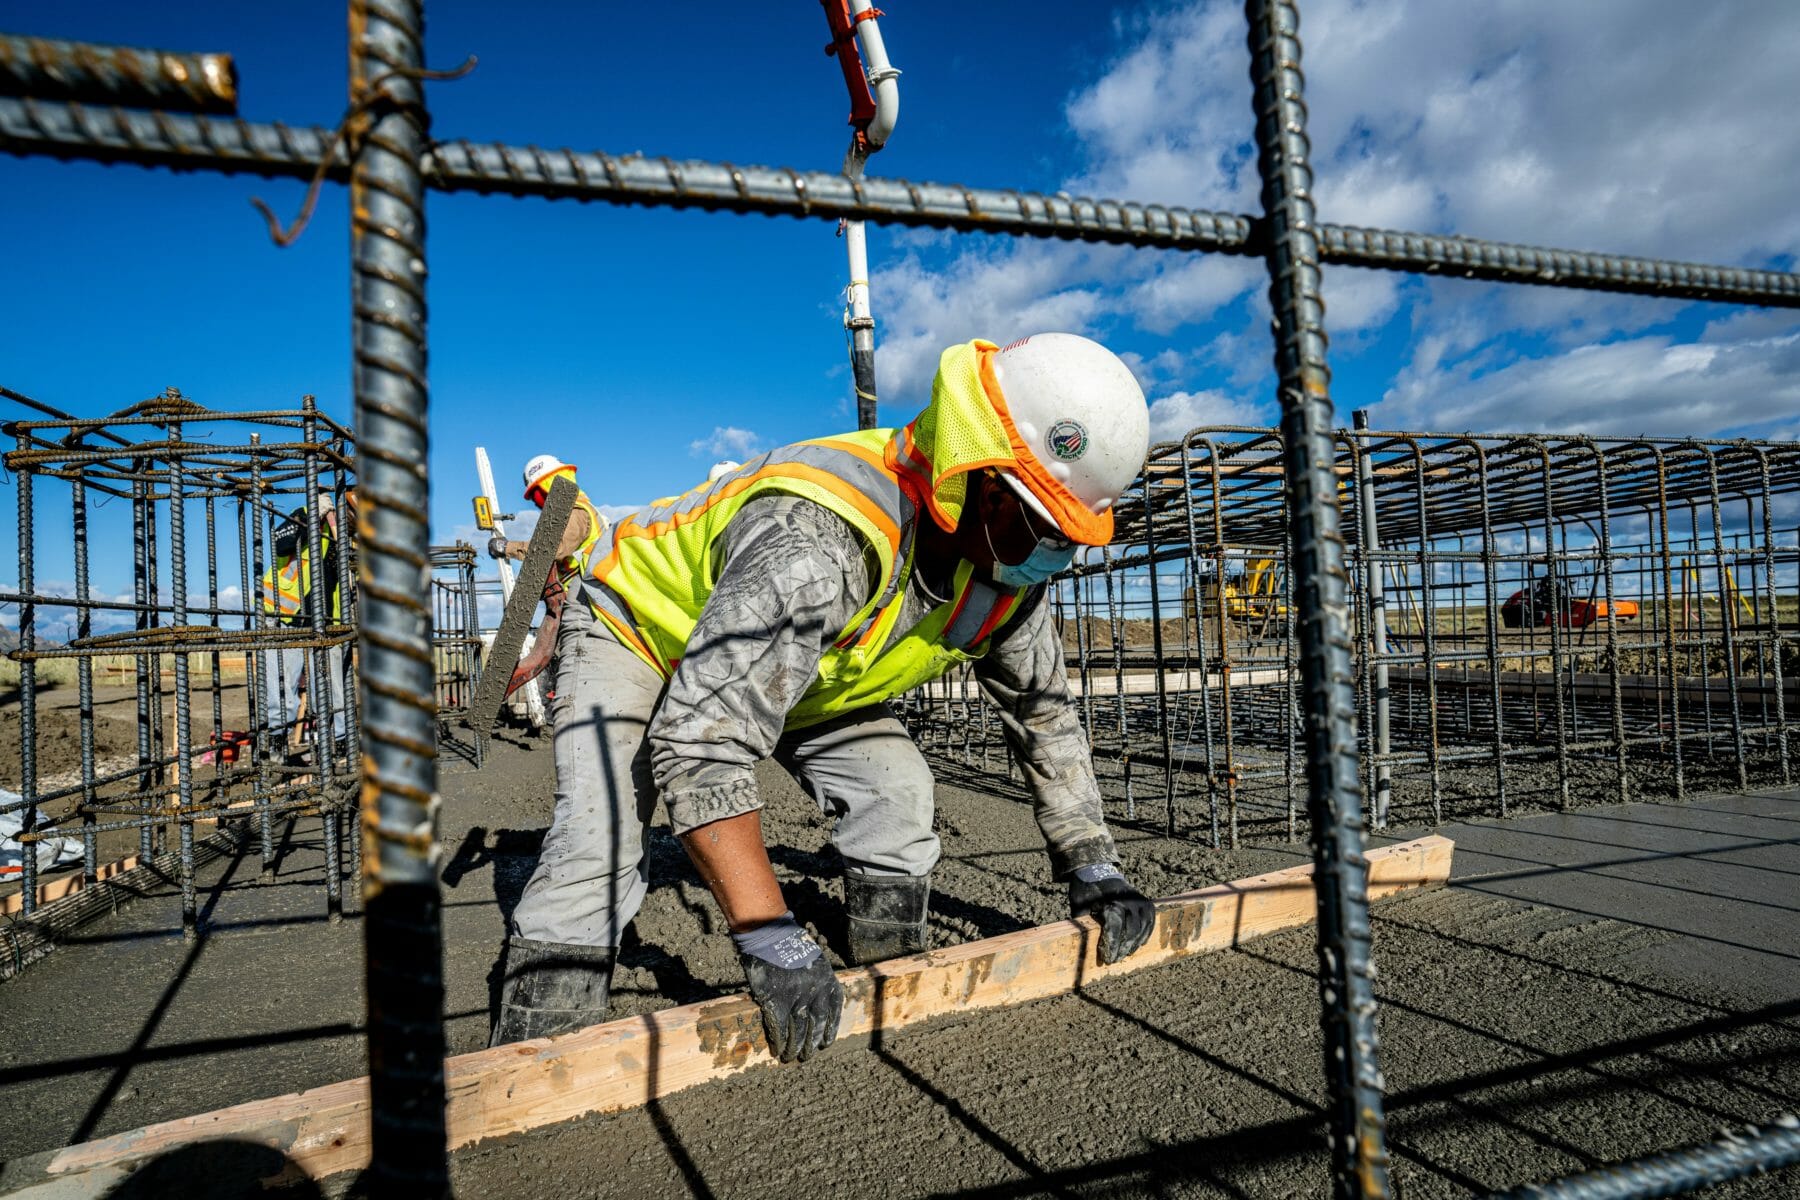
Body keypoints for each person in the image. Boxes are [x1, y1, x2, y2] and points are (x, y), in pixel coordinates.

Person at [491, 334, 1158, 1063]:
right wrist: (766, 931)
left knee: (896, 792)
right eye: (1042, 530)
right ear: (981, 479)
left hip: (789, 664)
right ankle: (532, 1065)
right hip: (642, 631)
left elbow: (1044, 713)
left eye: (1068, 540)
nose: (1051, 557)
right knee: (600, 837)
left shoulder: (1003, 576)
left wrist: (1092, 863)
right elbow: (700, 741)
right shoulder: (815, 536)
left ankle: (888, 982)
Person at [258, 490, 355, 746]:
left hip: (325, 621)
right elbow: (280, 543)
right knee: (280, 687)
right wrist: (312, 514)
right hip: (282, 615)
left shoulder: (344, 539)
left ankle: (340, 743)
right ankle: (274, 744)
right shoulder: (304, 517)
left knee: (330, 686)